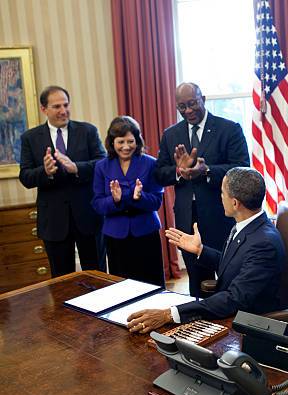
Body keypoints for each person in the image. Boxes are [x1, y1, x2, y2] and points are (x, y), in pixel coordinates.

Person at [127, 167, 285, 333]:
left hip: (247, 325)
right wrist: (200, 250)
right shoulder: (248, 225)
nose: (220, 197)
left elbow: (234, 299)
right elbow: (233, 265)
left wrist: (169, 315)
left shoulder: (264, 244)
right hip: (229, 312)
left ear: (235, 203)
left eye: (222, 193)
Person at [154, 82, 249, 297]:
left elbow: (242, 167)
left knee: (229, 278)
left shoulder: (228, 128)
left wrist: (206, 171)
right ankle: (201, 323)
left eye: (192, 104)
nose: (187, 111)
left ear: (203, 99)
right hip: (188, 219)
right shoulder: (171, 135)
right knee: (197, 284)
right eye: (181, 107)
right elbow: (159, 173)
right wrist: (179, 171)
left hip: (222, 217)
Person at [19, 85, 106, 277]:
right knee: (61, 280)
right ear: (44, 109)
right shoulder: (30, 138)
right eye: (57, 106)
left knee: (98, 276)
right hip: (54, 221)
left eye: (66, 105)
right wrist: (46, 172)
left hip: (88, 216)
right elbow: (25, 176)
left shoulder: (88, 131)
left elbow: (103, 164)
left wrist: (76, 168)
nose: (63, 110)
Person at [91, 116, 164, 286]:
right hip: (115, 235)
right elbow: (97, 204)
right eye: (120, 141)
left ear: (137, 141)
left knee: (151, 283)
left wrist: (140, 197)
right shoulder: (101, 166)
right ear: (112, 142)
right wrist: (114, 201)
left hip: (146, 232)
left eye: (130, 141)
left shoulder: (151, 163)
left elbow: (156, 201)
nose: (126, 147)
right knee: (122, 286)